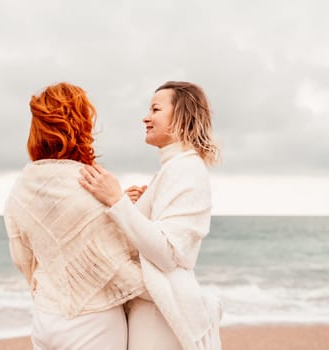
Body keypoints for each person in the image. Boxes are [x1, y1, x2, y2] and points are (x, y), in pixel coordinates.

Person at [80, 81, 223, 350]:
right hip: (153, 309)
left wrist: (117, 201)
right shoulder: (172, 169)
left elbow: (167, 253)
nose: (146, 117)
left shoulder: (186, 169)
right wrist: (135, 207)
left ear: (181, 116)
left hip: (161, 316)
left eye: (155, 109)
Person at [3, 82, 145, 350]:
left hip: (45, 317)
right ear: (81, 125)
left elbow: (23, 259)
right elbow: (118, 256)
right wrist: (124, 208)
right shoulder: (91, 181)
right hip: (93, 320)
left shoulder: (22, 187)